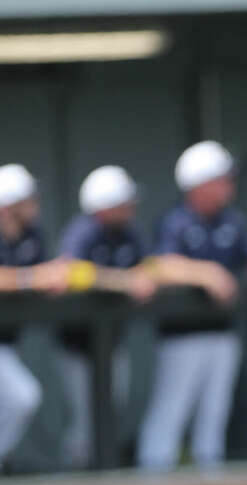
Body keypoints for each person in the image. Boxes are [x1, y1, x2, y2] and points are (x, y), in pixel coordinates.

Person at [137, 140, 247, 471]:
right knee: (172, 409)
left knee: (214, 413)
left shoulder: (231, 221)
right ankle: (150, 481)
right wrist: (204, 273)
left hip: (222, 332)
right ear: (201, 184)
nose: (229, 185)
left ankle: (208, 483)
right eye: (222, 178)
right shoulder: (176, 221)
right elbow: (156, 266)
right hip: (181, 337)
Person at [55, 165, 157, 468]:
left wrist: (143, 275)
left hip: (113, 343)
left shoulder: (130, 233)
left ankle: (102, 481)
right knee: (86, 424)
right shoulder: (83, 231)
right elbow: (69, 271)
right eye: (124, 202)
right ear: (105, 206)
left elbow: (151, 267)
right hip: (78, 348)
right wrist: (123, 281)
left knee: (112, 414)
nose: (131, 208)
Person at [0, 164, 67, 471]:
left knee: (21, 399)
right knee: (23, 396)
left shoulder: (32, 234)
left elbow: (46, 273)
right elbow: (29, 276)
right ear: (9, 206)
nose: (34, 203)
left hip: (8, 341)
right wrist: (33, 278)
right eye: (27, 198)